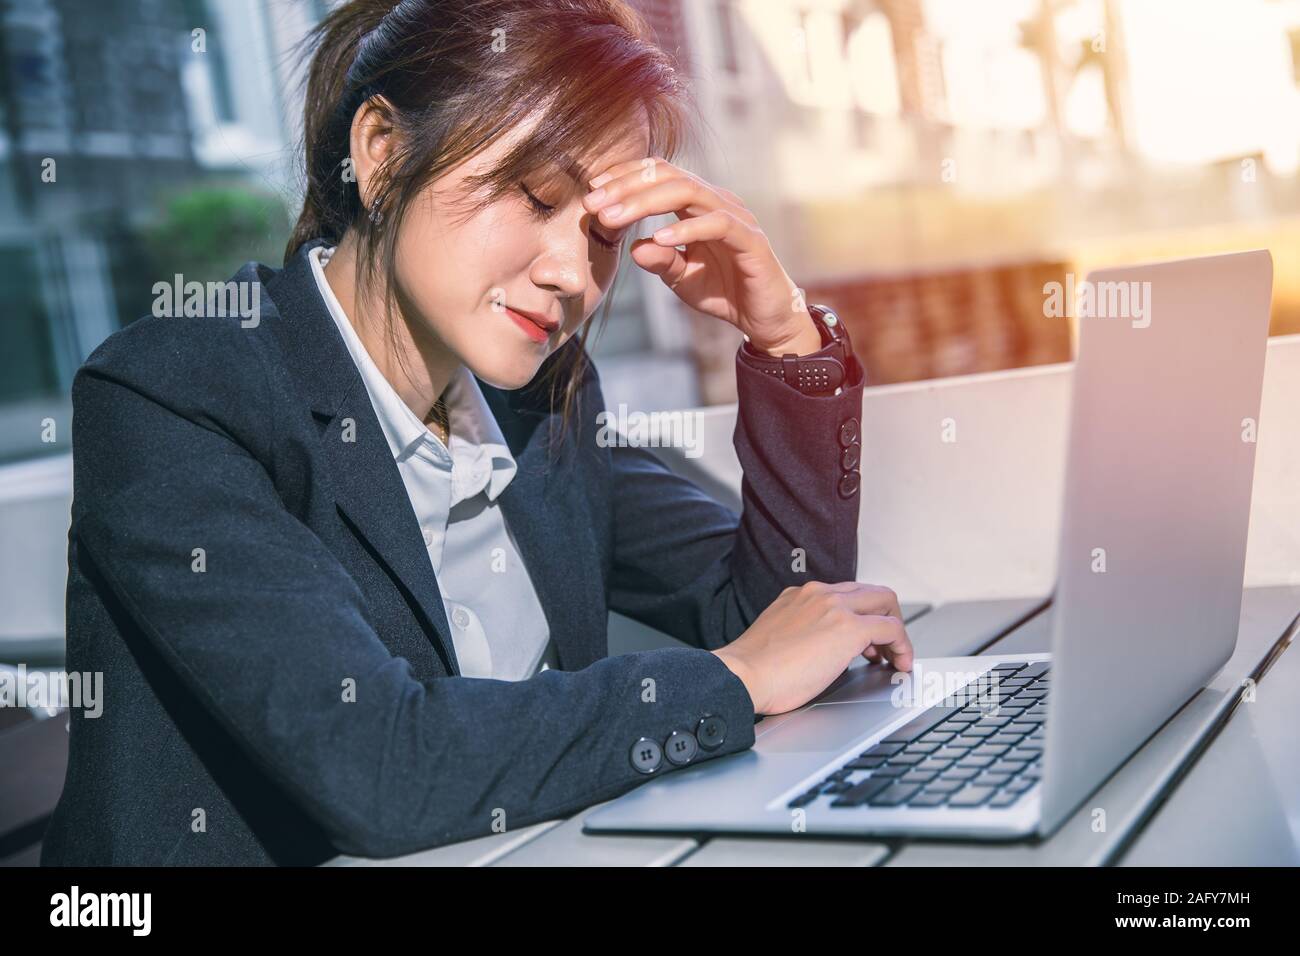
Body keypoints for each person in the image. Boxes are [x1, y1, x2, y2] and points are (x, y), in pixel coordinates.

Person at [41, 0, 911, 866]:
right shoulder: (173, 395)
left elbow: (775, 618)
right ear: (381, 155)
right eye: (535, 196)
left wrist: (789, 339)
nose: (572, 274)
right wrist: (735, 677)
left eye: (605, 234)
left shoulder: (543, 403)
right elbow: (375, 766)